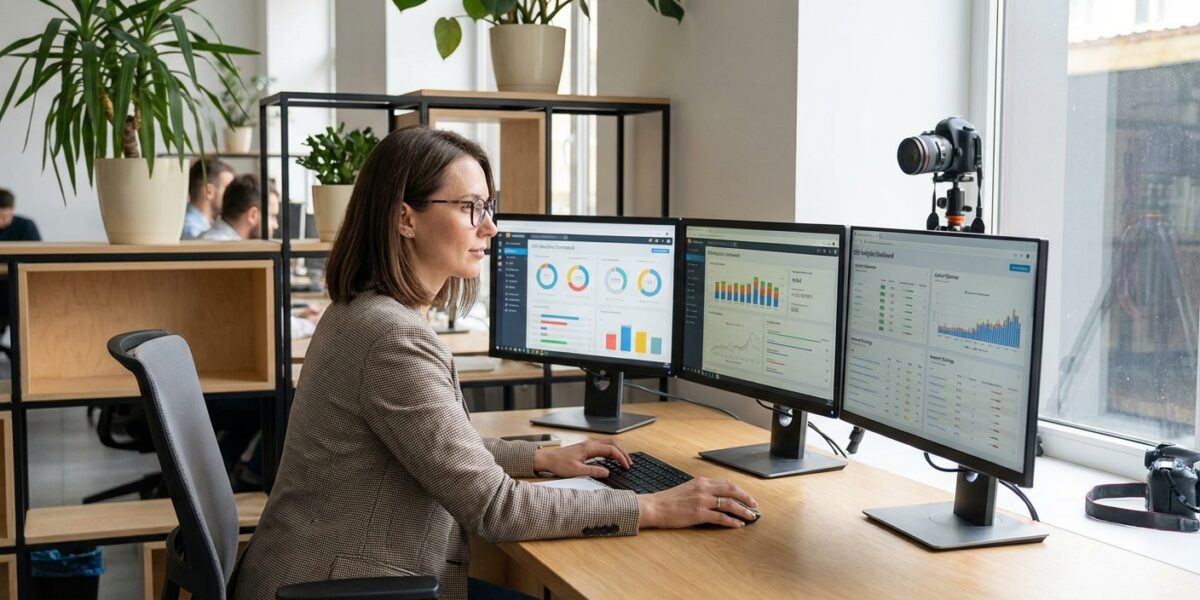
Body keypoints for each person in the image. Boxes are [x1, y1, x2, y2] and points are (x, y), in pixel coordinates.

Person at [232, 126, 759, 600]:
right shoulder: (390, 336)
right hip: (344, 587)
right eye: (470, 208)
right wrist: (654, 508)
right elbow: (495, 509)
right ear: (404, 217)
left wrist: (540, 459)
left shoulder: (360, 310)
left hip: (316, 573)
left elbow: (434, 444)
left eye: (488, 207)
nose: (490, 227)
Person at [200, 174, 323, 335]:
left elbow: (253, 314)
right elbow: (266, 326)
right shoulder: (227, 252)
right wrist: (313, 324)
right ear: (252, 215)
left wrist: (297, 317)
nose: (275, 224)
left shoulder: (214, 241)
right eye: (272, 216)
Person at [0, 188, 41, 336]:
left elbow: (37, 260)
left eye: (4, 217)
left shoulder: (25, 226)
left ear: (12, 210)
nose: (0, 221)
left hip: (17, 293)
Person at [181, 157, 235, 240]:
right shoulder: (192, 232)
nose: (233, 195)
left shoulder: (207, 226)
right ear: (209, 191)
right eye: (228, 189)